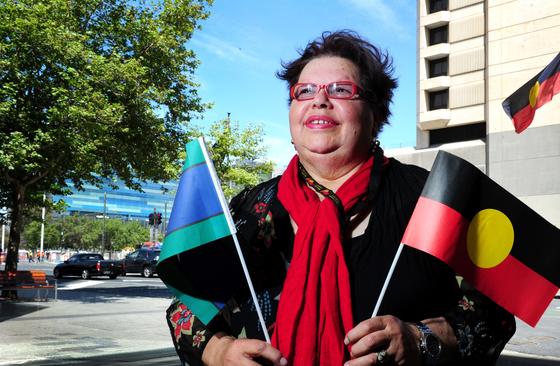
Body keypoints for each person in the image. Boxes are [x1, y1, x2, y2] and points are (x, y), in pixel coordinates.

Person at [165, 30, 515, 366]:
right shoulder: (251, 207)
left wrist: (422, 339)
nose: (319, 99)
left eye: (340, 89)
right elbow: (186, 303)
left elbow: (498, 310)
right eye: (303, 91)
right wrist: (218, 350)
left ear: (376, 113)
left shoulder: (432, 196)